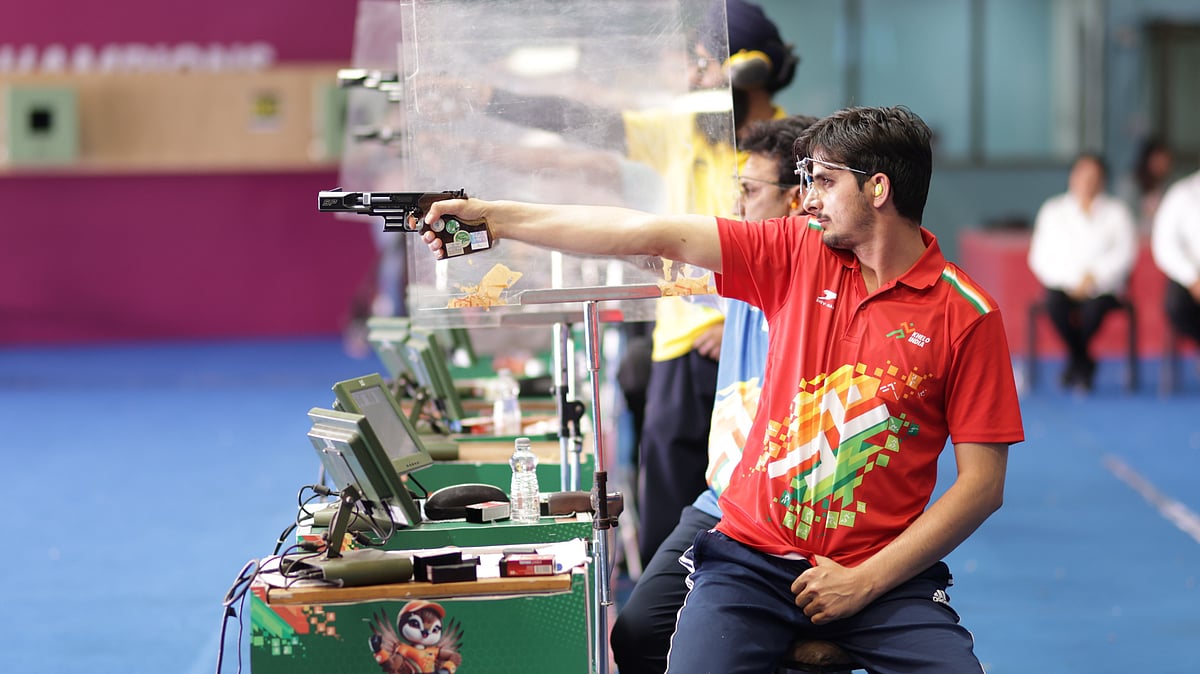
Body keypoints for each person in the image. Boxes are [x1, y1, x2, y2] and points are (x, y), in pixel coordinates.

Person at [423, 105, 1024, 673]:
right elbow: (648, 233)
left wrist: (866, 580)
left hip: (881, 573)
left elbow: (981, 486)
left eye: (825, 182)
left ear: (878, 189)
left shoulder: (967, 315)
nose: (809, 199)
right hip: (751, 562)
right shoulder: (796, 250)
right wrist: (496, 218)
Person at [610, 113, 817, 674]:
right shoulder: (734, 275)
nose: (735, 206)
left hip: (802, 520)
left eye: (749, 191)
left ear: (797, 200)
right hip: (723, 508)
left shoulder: (829, 290)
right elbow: (648, 247)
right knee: (637, 635)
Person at [1027, 153, 1137, 392]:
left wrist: (1093, 278)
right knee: (1054, 304)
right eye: (1082, 175)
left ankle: (1077, 361)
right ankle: (1083, 360)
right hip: (1063, 285)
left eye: (1093, 176)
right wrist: (1073, 282)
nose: (1087, 182)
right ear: (1072, 177)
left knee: (1094, 309)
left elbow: (1124, 254)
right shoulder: (1053, 211)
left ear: (1103, 180)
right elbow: (1040, 257)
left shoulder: (1117, 213)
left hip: (1103, 287)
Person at [1151, 167, 1200, 346]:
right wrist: (1193, 278)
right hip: (1192, 276)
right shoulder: (1182, 194)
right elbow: (1164, 244)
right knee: (1177, 305)